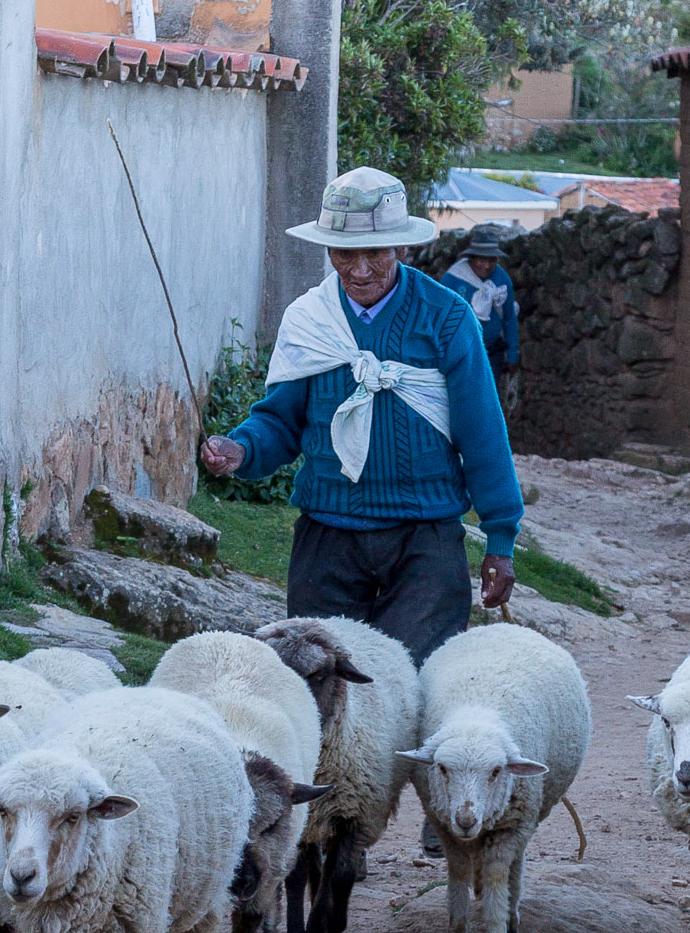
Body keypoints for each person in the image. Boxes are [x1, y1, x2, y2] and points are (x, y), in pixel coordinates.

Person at [200, 166, 523, 671]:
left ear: (401, 249)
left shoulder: (446, 317)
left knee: (412, 680)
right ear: (328, 251)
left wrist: (500, 539)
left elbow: (482, 434)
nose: (361, 269)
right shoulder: (311, 321)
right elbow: (282, 422)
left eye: (376, 252)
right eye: (345, 253)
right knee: (319, 684)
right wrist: (241, 449)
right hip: (328, 538)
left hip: (425, 538)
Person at [440, 222, 520, 418]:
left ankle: (485, 440)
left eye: (491, 260)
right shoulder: (453, 280)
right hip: (461, 352)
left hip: (491, 349)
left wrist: (513, 355)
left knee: (487, 397)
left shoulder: (502, 280)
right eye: (481, 260)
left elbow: (509, 318)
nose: (486, 265)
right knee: (462, 398)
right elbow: (440, 318)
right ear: (471, 258)